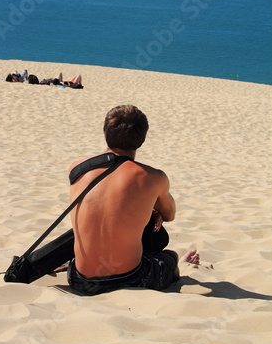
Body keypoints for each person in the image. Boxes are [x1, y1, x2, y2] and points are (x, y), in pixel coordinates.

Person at [67, 104, 199, 295]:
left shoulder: (76, 168)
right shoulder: (153, 177)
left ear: (105, 131)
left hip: (78, 279)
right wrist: (152, 209)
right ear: (142, 139)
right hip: (129, 280)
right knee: (169, 256)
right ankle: (181, 266)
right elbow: (169, 215)